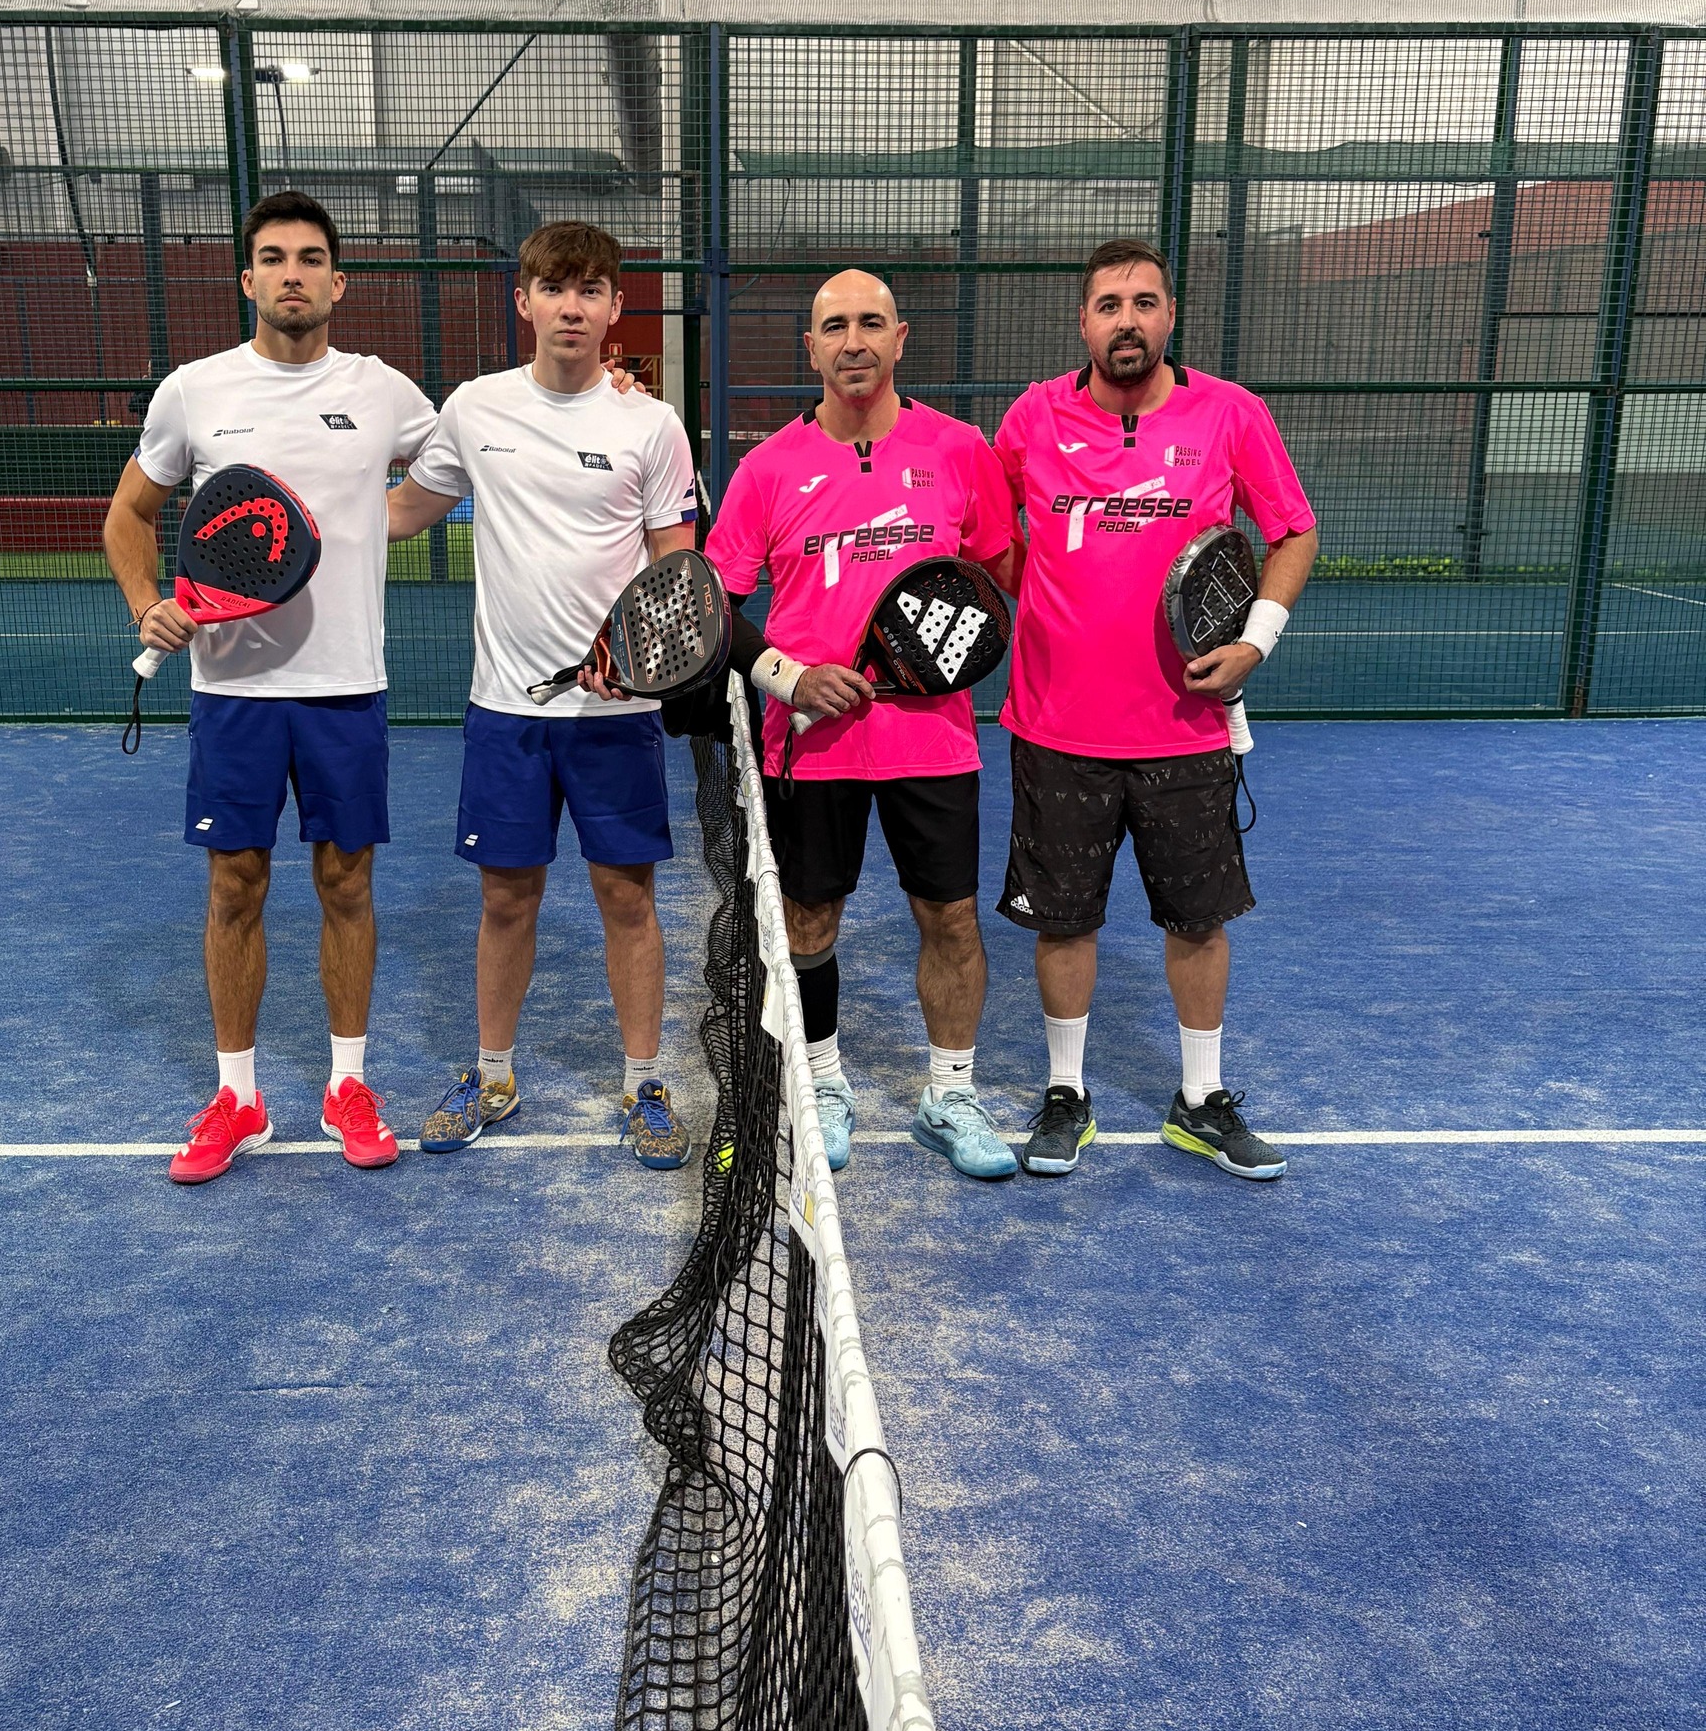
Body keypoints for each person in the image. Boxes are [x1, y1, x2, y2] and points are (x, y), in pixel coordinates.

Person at [104, 190, 436, 1182]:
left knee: (347, 881)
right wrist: (148, 603)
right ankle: (239, 1099)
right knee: (235, 885)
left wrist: (380, 520)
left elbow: (461, 465)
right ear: (248, 279)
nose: (294, 273)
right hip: (234, 693)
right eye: (275, 258)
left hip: (346, 685)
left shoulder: (384, 391)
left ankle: (347, 1085)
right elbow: (128, 514)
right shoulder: (194, 391)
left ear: (339, 282)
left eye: (311, 258)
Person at [992, 237, 1318, 1180]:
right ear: (1083, 323)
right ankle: (1066, 1092)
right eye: (1108, 305)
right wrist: (1044, 597)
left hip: (1186, 728)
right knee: (1063, 922)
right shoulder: (1032, 418)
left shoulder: (1230, 414)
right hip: (1056, 728)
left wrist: (1255, 640)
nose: (1126, 321)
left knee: (1198, 921)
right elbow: (987, 526)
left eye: (1144, 302)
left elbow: (1293, 531)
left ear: (1170, 316)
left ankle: (1200, 1100)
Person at [387, 222, 700, 1168]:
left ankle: (643, 1082)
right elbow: (402, 512)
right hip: (507, 714)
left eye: (592, 289)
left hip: (616, 716)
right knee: (506, 900)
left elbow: (678, 571)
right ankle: (493, 1075)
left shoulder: (651, 424)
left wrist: (636, 662)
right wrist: (308, 503)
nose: (573, 307)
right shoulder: (475, 408)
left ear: (615, 307)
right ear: (523, 301)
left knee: (627, 899)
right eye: (555, 289)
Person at [705, 269, 1021, 1180]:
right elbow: (719, 603)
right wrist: (792, 679)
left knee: (951, 916)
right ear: (810, 348)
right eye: (835, 326)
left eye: (871, 323)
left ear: (899, 337)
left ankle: (949, 1095)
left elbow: (993, 575)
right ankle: (823, 1084)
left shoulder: (959, 450)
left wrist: (940, 646)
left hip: (935, 741)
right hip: (809, 747)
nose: (854, 341)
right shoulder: (768, 468)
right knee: (809, 919)